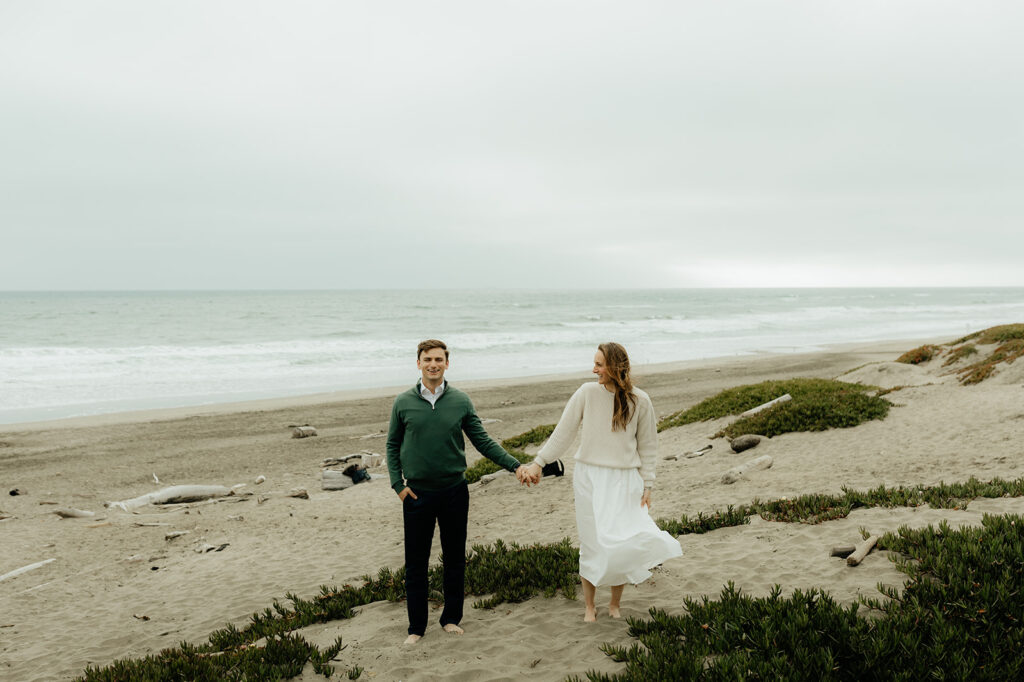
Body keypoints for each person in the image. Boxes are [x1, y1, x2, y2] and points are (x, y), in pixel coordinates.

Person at [386, 339, 534, 644]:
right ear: (418, 363)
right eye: (427, 359)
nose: (433, 364)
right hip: (416, 496)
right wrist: (398, 485)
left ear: (447, 364)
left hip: (454, 492)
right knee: (416, 563)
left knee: (454, 559)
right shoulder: (403, 403)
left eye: (439, 359)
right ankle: (416, 628)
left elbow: (483, 441)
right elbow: (392, 445)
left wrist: (515, 466)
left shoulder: (461, 401)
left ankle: (451, 618)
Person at [524, 342, 682, 622]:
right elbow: (564, 432)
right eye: (594, 363)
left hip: (625, 479)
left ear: (614, 367)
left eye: (599, 364)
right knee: (592, 540)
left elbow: (648, 446)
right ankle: (589, 606)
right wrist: (538, 462)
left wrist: (648, 484)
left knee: (620, 542)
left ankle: (615, 604)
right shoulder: (586, 393)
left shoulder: (640, 400)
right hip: (589, 477)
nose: (593, 369)